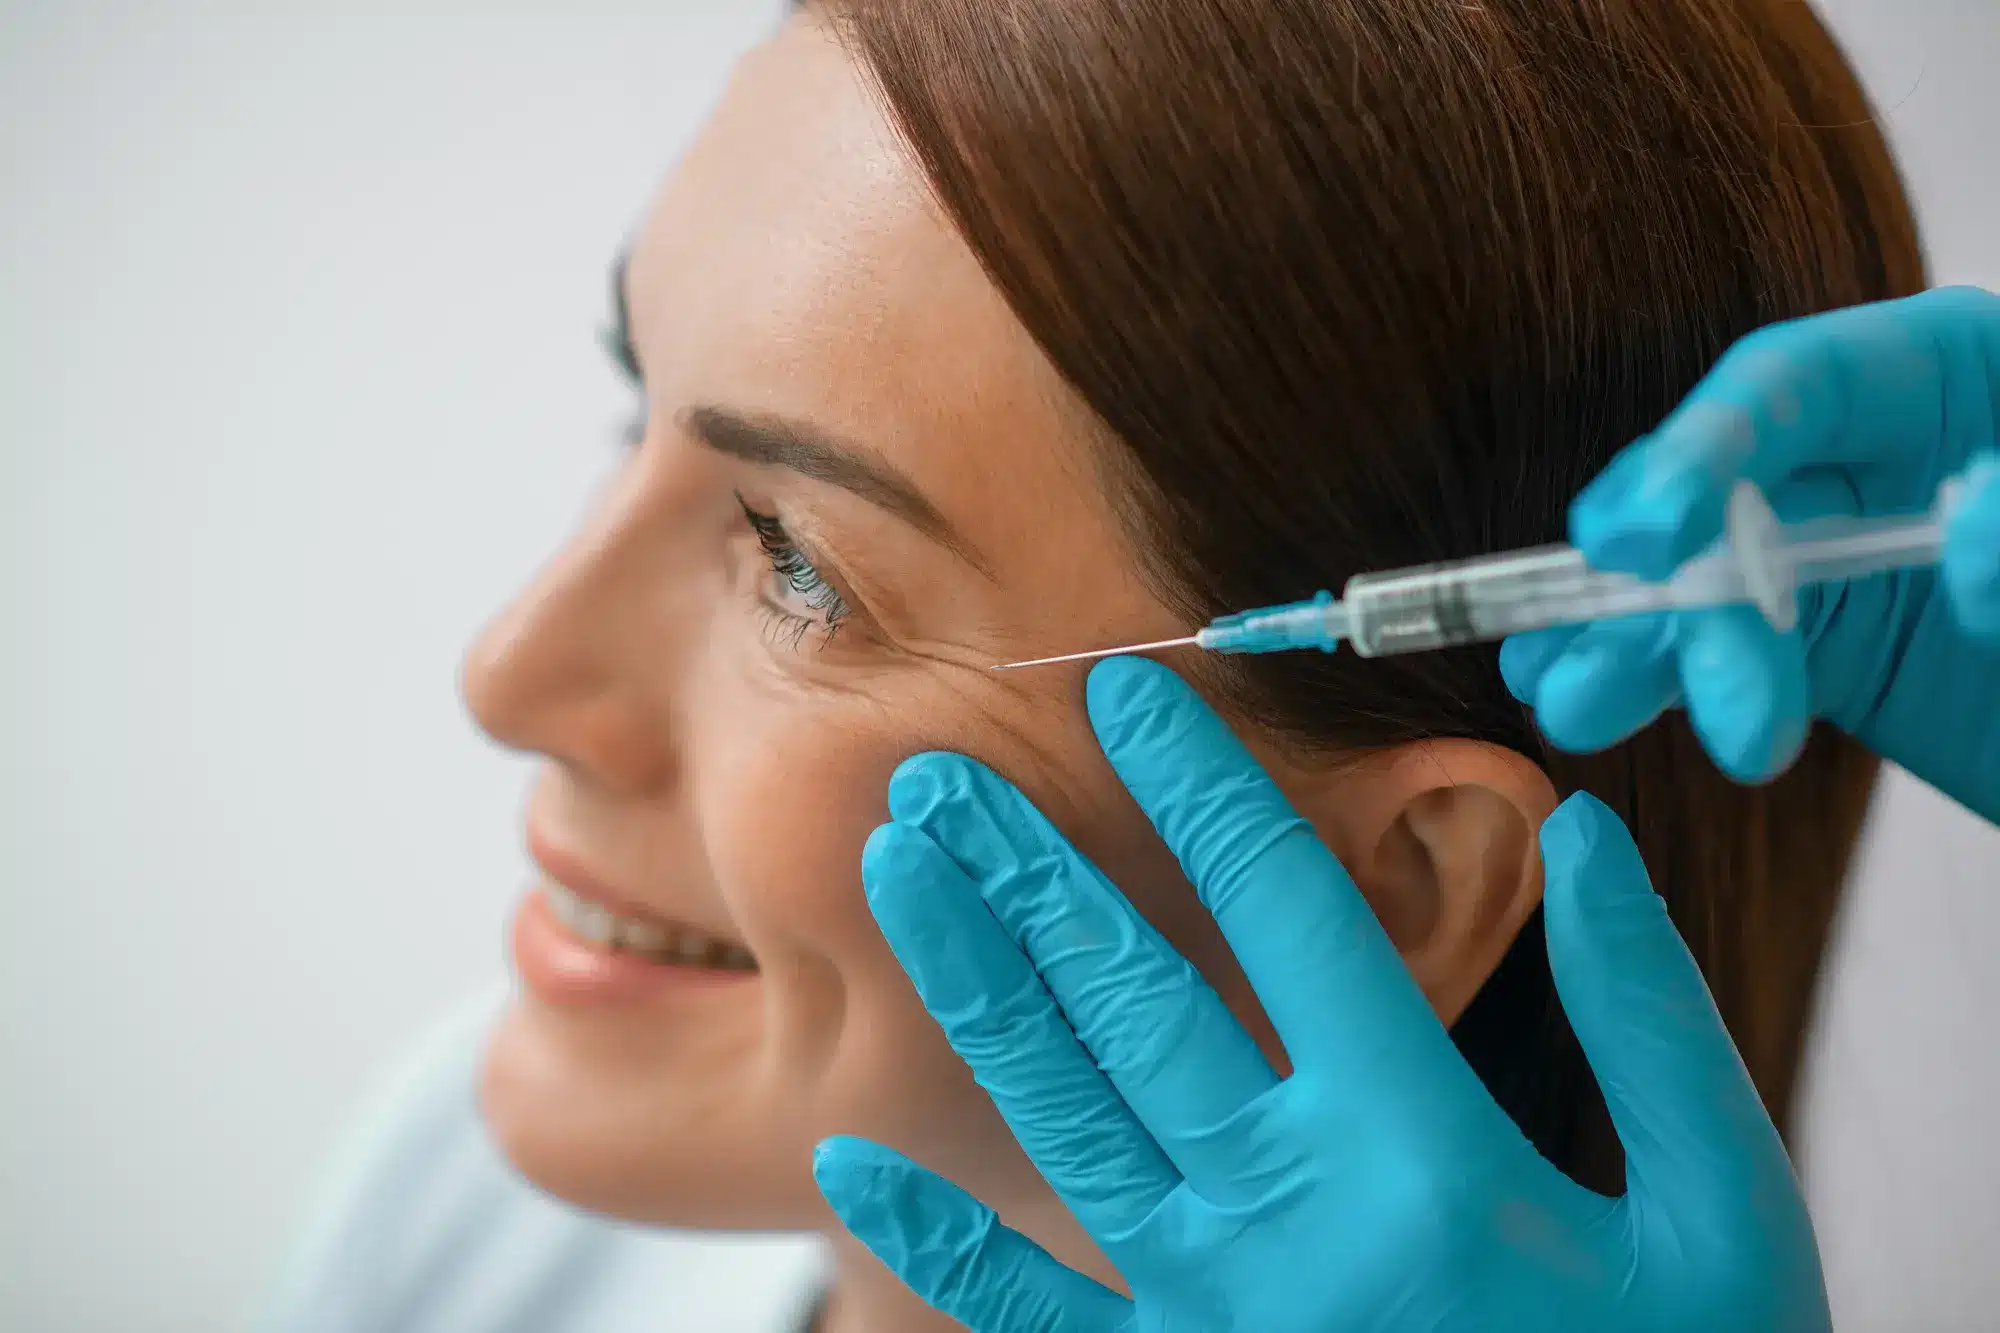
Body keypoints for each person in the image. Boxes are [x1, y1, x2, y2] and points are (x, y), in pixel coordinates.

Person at [257, 1, 1978, 1330]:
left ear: (1391, 890)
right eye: (642, 405)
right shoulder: (489, 1235)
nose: (508, 672)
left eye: (796, 563)